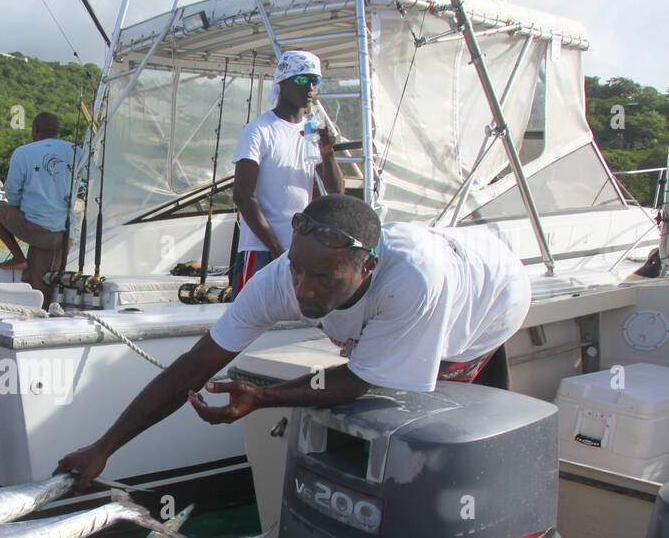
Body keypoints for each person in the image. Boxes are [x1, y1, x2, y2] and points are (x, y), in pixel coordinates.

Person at [56, 194, 531, 492]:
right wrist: (104, 447)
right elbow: (194, 365)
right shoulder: (279, 280)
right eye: (298, 269)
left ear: (367, 268)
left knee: (431, 406)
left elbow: (364, 379)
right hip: (422, 288)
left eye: (323, 278)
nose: (303, 289)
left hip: (491, 297)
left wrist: (264, 397)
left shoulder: (413, 282)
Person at [231, 50, 343, 293]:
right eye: (302, 80)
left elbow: (336, 192)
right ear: (282, 82)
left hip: (299, 250)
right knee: (248, 322)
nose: (310, 87)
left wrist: (328, 153)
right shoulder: (258, 130)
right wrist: (276, 249)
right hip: (261, 251)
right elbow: (242, 194)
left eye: (315, 80)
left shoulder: (313, 132)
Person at [0, 111, 76, 307]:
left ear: (35, 129)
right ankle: (25, 266)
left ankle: (18, 256)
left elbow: (12, 193)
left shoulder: (23, 152)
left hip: (34, 228)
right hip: (66, 234)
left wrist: (18, 213)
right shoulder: (75, 150)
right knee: (39, 281)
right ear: (57, 131)